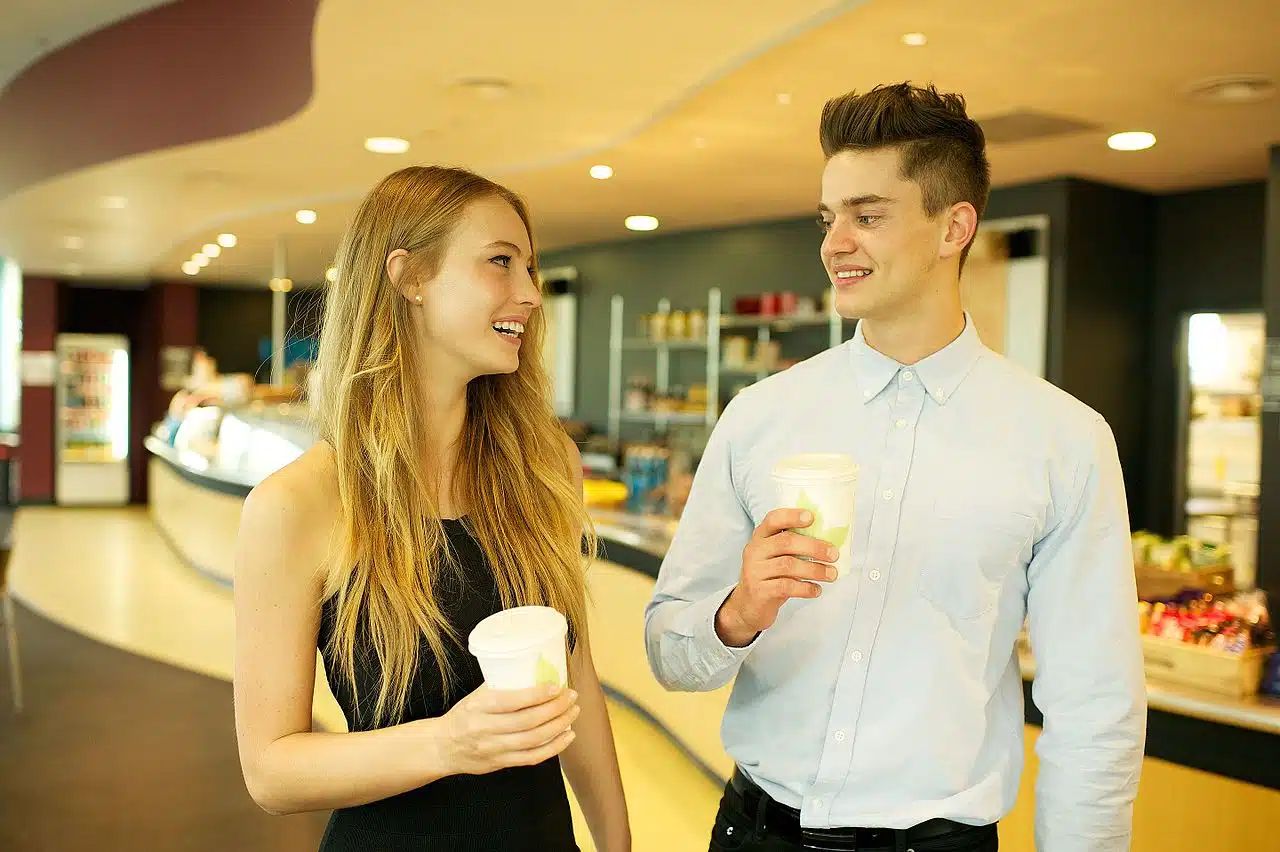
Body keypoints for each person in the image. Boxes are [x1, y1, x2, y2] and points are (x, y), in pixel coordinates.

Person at [645, 83, 1147, 852]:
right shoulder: (760, 416)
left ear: (955, 227)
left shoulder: (1064, 440)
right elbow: (670, 655)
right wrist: (736, 614)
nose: (833, 243)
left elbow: (1095, 706)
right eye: (829, 216)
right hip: (754, 835)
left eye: (867, 215)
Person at [233, 165, 630, 852]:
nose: (530, 294)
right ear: (409, 277)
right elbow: (272, 771)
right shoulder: (298, 504)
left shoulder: (544, 469)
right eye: (500, 263)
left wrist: (616, 844)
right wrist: (451, 742)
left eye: (530, 268)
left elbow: (577, 681)